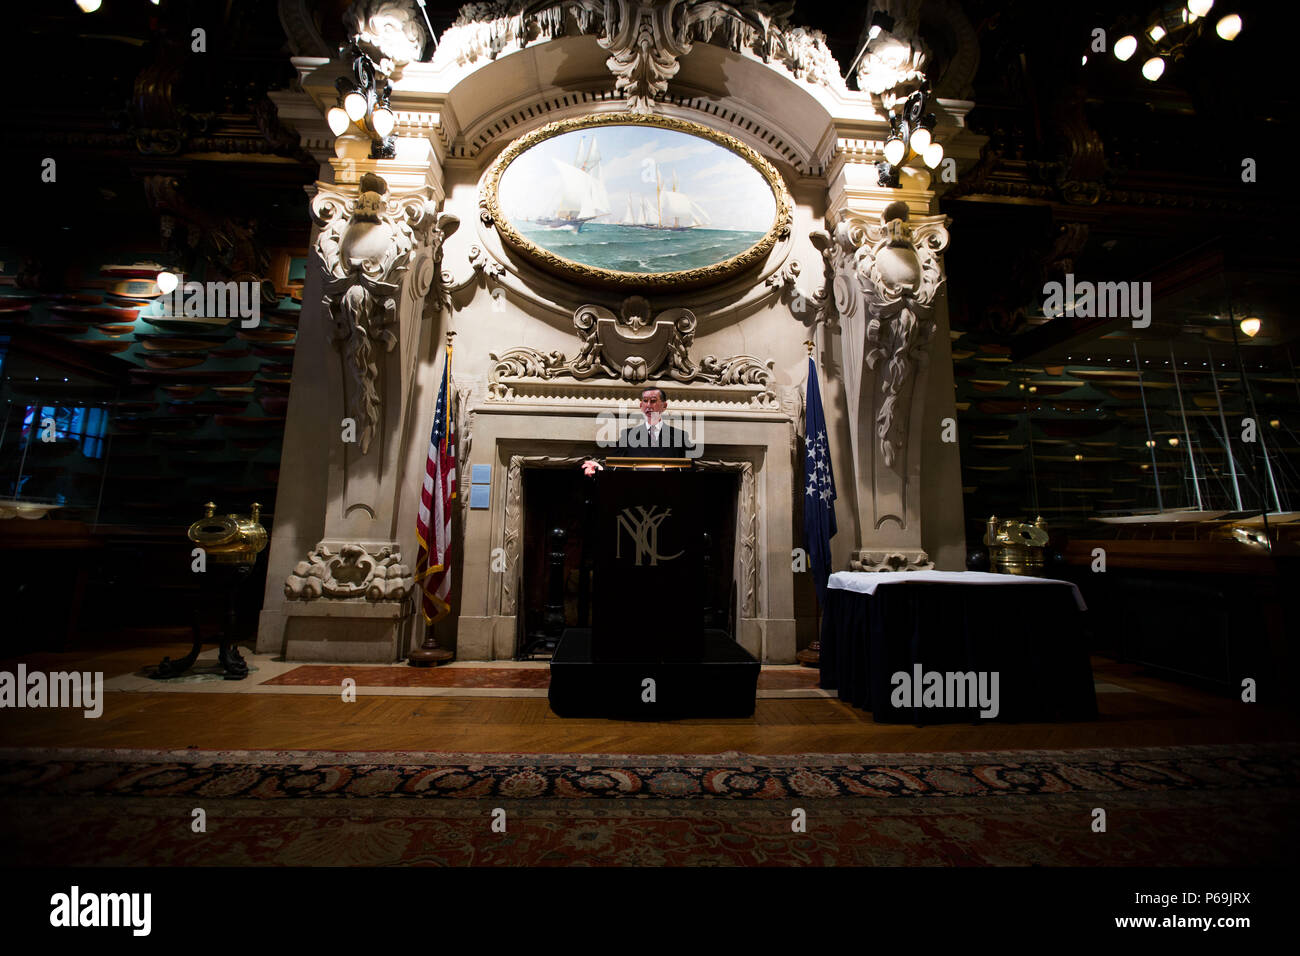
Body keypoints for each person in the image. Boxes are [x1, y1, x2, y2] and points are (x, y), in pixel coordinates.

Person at [582, 386, 694, 475]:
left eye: (653, 401)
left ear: (664, 406)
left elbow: (690, 471)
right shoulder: (627, 435)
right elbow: (614, 466)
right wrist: (600, 468)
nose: (648, 405)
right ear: (641, 405)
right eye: (645, 401)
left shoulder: (680, 436)